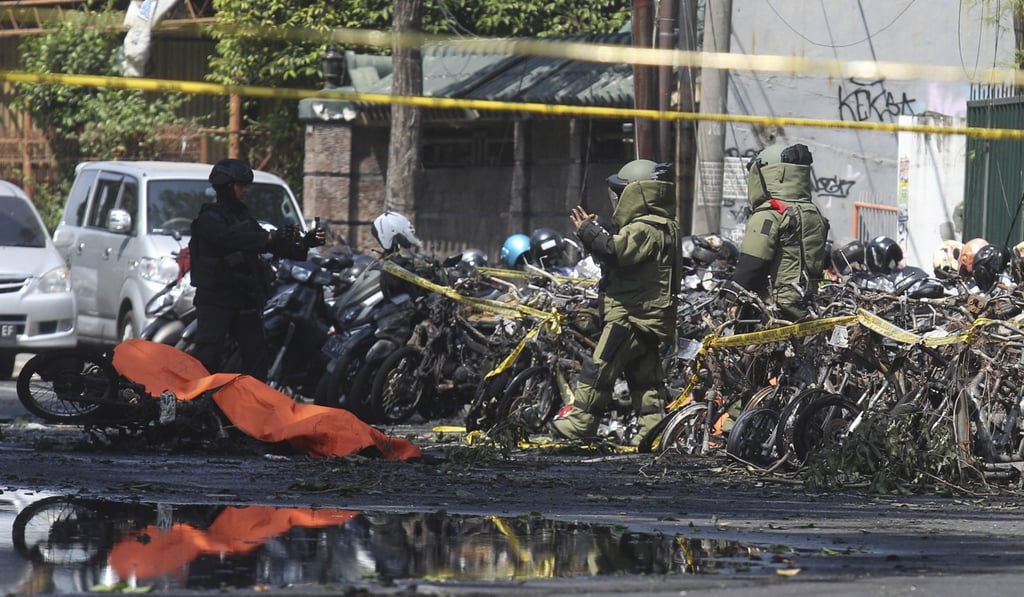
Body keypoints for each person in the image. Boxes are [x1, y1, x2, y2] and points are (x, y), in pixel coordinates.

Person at [550, 159, 682, 447]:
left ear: (638, 193)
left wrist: (588, 231)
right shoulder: (664, 225)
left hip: (630, 316)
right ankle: (653, 430)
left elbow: (615, 251)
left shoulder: (644, 228)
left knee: (598, 368)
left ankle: (581, 424)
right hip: (649, 316)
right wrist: (595, 231)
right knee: (645, 379)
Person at [188, 158, 325, 379]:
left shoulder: (243, 217)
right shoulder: (209, 219)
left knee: (257, 358)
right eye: (240, 186)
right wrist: (269, 237)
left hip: (244, 300)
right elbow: (233, 239)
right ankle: (192, 404)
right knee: (208, 356)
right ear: (226, 188)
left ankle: (252, 408)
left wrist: (304, 244)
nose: (245, 191)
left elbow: (270, 244)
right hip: (216, 301)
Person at [728, 143, 829, 322]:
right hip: (807, 302)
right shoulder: (812, 212)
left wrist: (731, 296)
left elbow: (753, 262)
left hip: (774, 308)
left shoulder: (769, 215)